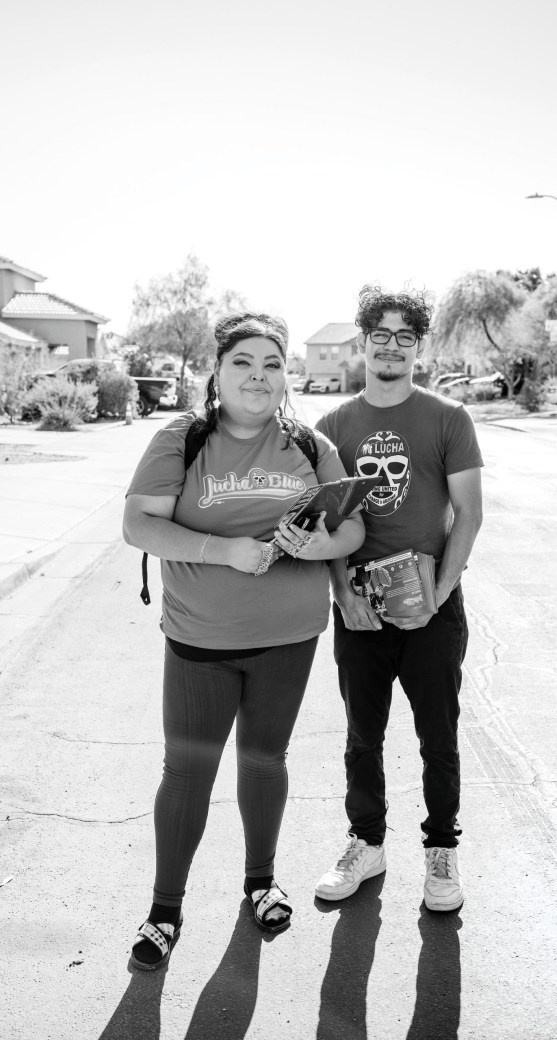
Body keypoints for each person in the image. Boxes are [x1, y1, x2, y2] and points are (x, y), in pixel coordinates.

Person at [122, 312, 365, 970]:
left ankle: (261, 882)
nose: (259, 376)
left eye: (272, 365)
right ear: (217, 373)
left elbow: (352, 530)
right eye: (243, 363)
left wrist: (321, 542)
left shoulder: (310, 446)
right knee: (188, 772)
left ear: (286, 377)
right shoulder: (183, 439)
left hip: (289, 639)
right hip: (201, 639)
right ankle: (164, 911)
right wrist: (220, 549)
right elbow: (138, 526)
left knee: (265, 761)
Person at [314, 285, 483, 912]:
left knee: (438, 735)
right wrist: (341, 594)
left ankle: (441, 852)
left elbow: (468, 515)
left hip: (433, 606)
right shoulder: (332, 427)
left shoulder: (447, 418)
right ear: (363, 343)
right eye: (379, 335)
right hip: (361, 607)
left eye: (404, 336)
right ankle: (366, 843)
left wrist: (438, 595)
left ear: (419, 344)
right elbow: (327, 525)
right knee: (363, 736)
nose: (391, 346)